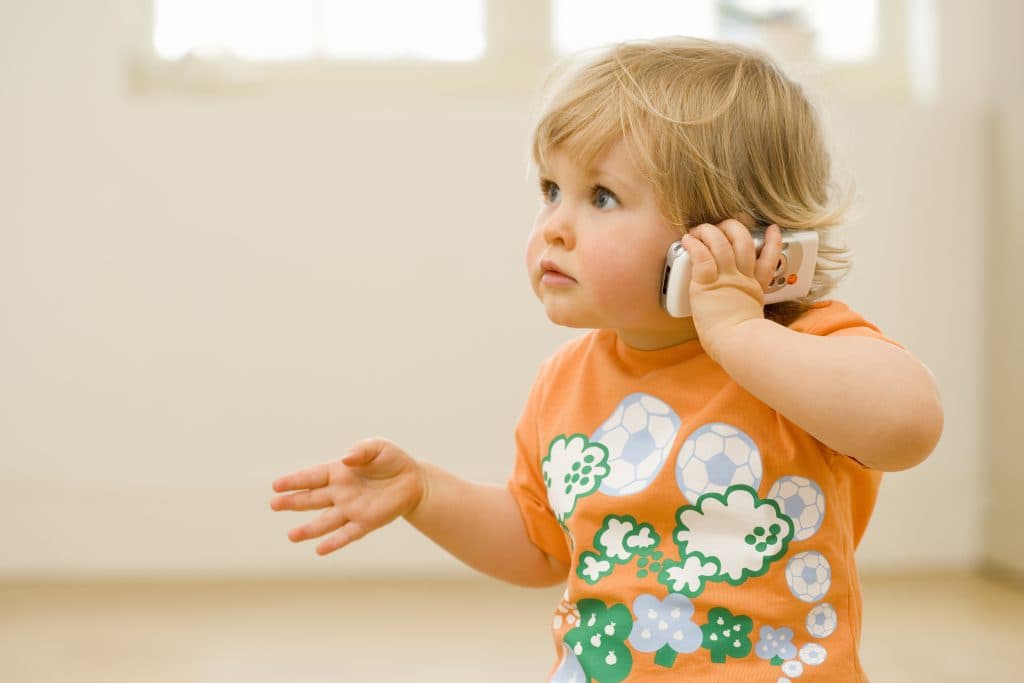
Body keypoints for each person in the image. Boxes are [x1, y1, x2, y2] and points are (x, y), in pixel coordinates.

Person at [270, 37, 943, 682]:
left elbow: (909, 425)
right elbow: (541, 544)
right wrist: (427, 492)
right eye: (549, 190)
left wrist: (739, 333)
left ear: (725, 232)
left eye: (601, 197)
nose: (554, 225)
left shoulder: (802, 347)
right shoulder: (564, 379)